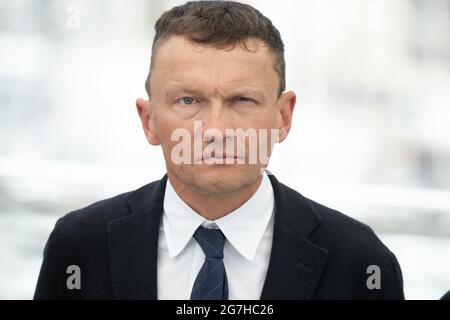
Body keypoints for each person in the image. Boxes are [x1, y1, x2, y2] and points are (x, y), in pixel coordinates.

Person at [34, 1, 404, 300]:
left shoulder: (360, 263)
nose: (216, 130)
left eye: (242, 100)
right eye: (188, 100)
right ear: (149, 120)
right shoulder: (80, 247)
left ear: (283, 117)